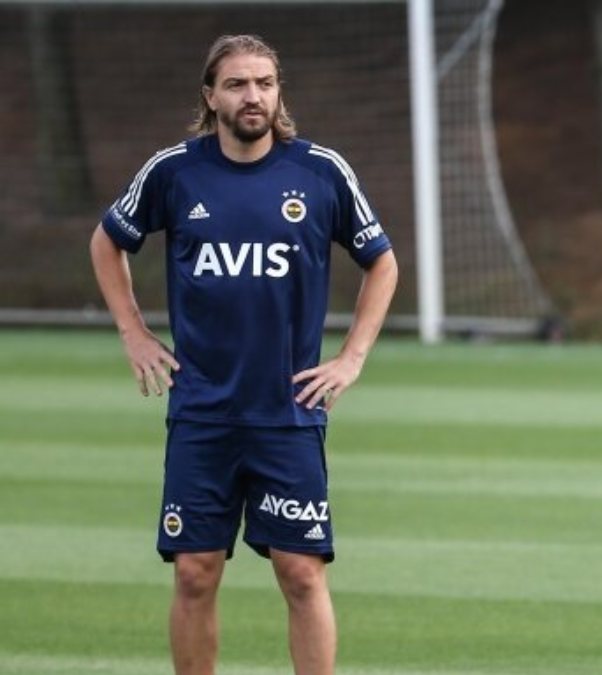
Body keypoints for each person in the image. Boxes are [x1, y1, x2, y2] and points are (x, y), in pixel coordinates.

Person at [89, 34, 398, 675]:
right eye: (236, 84)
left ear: (279, 93)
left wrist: (352, 357)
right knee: (194, 573)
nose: (252, 96)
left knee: (302, 574)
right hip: (202, 412)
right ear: (211, 96)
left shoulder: (320, 172)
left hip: (287, 413)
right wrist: (134, 333)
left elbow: (382, 262)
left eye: (264, 83)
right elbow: (107, 240)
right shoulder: (175, 172)